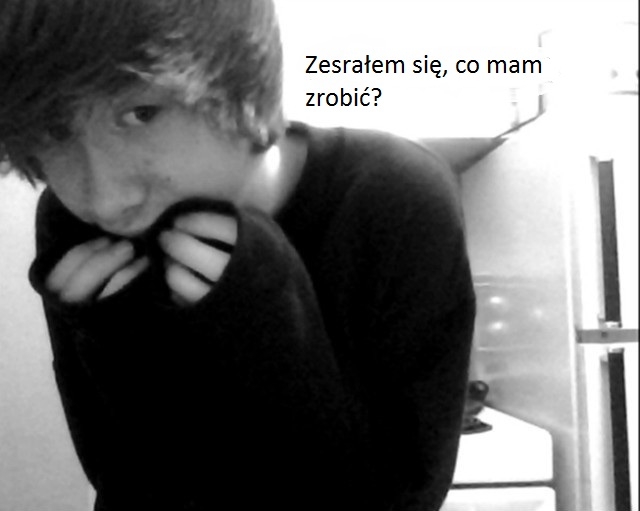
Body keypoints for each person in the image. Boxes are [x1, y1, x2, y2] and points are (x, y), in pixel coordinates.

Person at [0, 1, 476, 509]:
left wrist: (264, 312)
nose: (106, 199)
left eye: (141, 113)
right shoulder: (71, 219)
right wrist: (129, 349)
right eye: (55, 132)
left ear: (246, 84)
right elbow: (118, 478)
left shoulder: (395, 198)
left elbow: (403, 498)